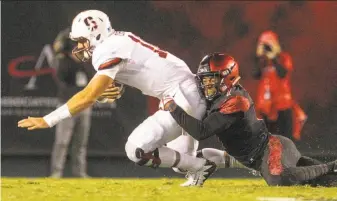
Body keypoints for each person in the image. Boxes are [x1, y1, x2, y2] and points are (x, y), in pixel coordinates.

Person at [17, 9, 218, 184]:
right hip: (186, 92)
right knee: (181, 163)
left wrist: (48, 120)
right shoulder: (118, 40)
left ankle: (203, 165)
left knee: (136, 150)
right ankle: (241, 158)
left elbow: (88, 96)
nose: (79, 47)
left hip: (181, 96)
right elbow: (109, 92)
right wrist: (104, 95)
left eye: (81, 41)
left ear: (95, 35)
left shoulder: (106, 49)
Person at [161, 52, 337, 187]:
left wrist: (173, 108)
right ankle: (330, 171)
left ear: (227, 77)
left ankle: (331, 165)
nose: (205, 85)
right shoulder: (221, 96)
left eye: (210, 80)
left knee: (277, 179)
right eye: (204, 80)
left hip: (272, 149)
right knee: (326, 182)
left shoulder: (236, 101)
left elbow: (201, 131)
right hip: (260, 156)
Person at [50, 27, 94, 178]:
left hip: (84, 106)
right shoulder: (63, 61)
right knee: (62, 141)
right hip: (66, 105)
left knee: (80, 143)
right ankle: (56, 172)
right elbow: (63, 77)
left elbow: (91, 77)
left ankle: (79, 172)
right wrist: (69, 56)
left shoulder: (85, 61)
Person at [253, 30, 307, 141]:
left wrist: (274, 57)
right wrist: (259, 56)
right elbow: (255, 74)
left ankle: (287, 157)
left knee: (284, 138)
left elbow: (282, 73)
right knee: (268, 138)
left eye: (269, 45)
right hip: (267, 107)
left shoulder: (284, 58)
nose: (267, 48)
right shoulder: (263, 61)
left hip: (282, 105)